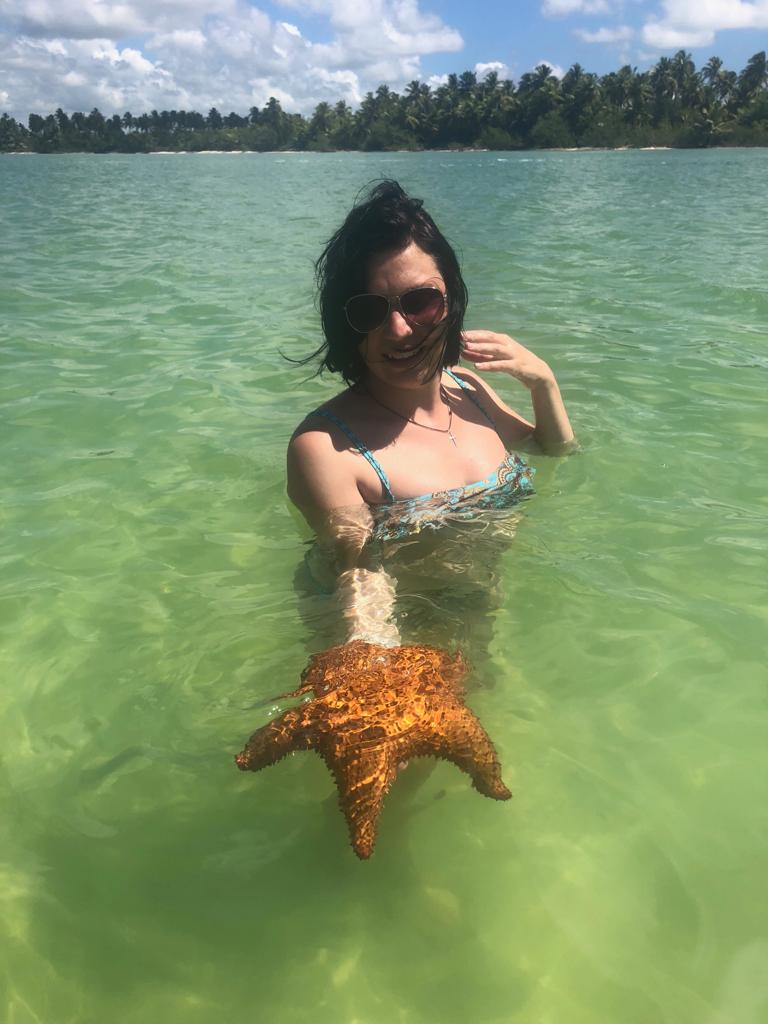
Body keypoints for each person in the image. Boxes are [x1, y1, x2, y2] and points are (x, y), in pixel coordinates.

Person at [288, 180, 574, 648]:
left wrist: (543, 381)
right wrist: (390, 676)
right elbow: (359, 581)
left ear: (451, 300)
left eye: (420, 302)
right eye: (369, 311)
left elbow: (555, 451)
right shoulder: (327, 449)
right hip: (413, 637)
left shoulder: (469, 390)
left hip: (481, 610)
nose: (399, 329)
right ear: (346, 325)